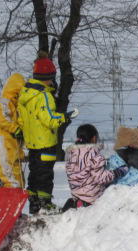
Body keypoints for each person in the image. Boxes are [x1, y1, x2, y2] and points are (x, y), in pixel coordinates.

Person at [18, 51, 79, 214]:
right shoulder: (43, 96)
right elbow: (50, 119)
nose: (53, 80)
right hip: (45, 142)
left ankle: (34, 204)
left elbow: (21, 120)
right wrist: (64, 117)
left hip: (32, 143)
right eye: (52, 77)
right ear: (47, 77)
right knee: (45, 175)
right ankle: (45, 204)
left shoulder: (24, 95)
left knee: (35, 174)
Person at [63, 124, 127, 211]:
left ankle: (78, 202)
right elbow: (101, 178)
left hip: (76, 193)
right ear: (93, 138)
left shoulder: (71, 153)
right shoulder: (92, 153)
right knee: (114, 186)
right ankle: (86, 203)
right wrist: (119, 171)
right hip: (91, 196)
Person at [0, 72, 26, 188]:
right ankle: (6, 202)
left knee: (18, 182)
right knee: (12, 181)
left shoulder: (16, 108)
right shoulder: (4, 103)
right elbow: (1, 117)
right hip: (2, 146)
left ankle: (9, 201)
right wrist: (16, 129)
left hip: (12, 150)